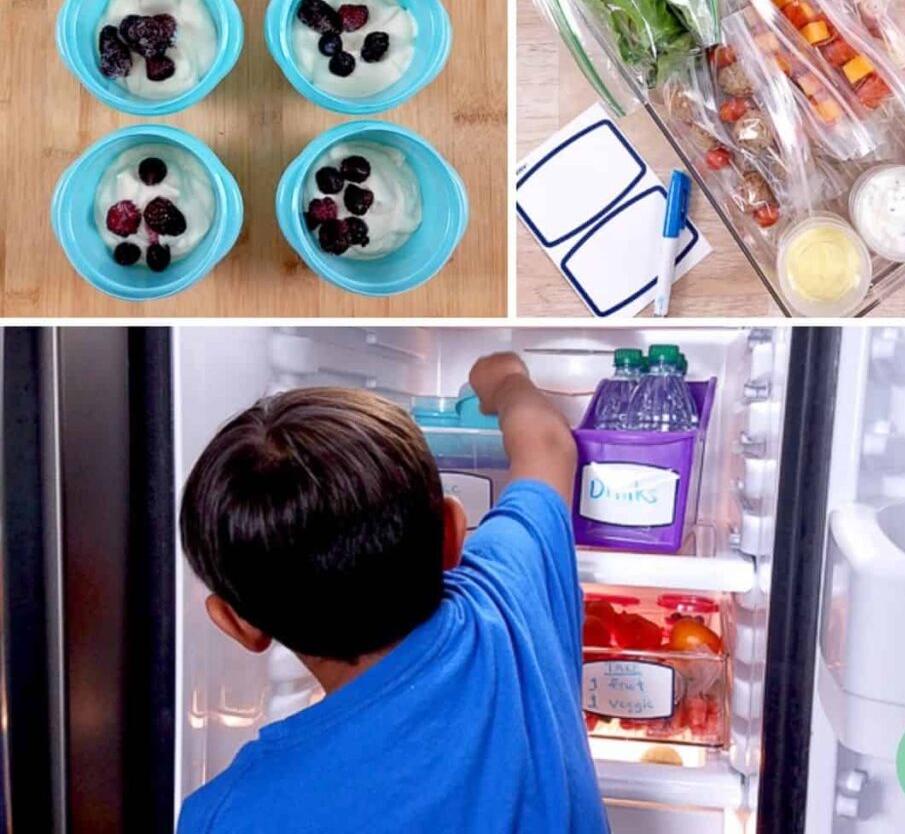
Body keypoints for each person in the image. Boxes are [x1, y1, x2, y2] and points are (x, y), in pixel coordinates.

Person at [177, 352, 608, 833]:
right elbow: (548, 445)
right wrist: (505, 378)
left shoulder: (230, 817)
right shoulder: (508, 585)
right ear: (451, 534)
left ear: (237, 623)